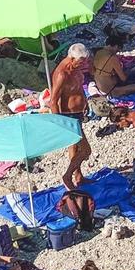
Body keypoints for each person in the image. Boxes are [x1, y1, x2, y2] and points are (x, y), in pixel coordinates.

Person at [50, 44, 92, 188]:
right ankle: (67, 176)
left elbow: (79, 86)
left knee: (73, 147)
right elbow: (53, 101)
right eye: (81, 62)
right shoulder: (62, 74)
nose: (84, 64)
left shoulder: (76, 68)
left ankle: (78, 176)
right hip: (68, 115)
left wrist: (85, 101)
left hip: (78, 111)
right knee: (86, 150)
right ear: (72, 58)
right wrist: (59, 123)